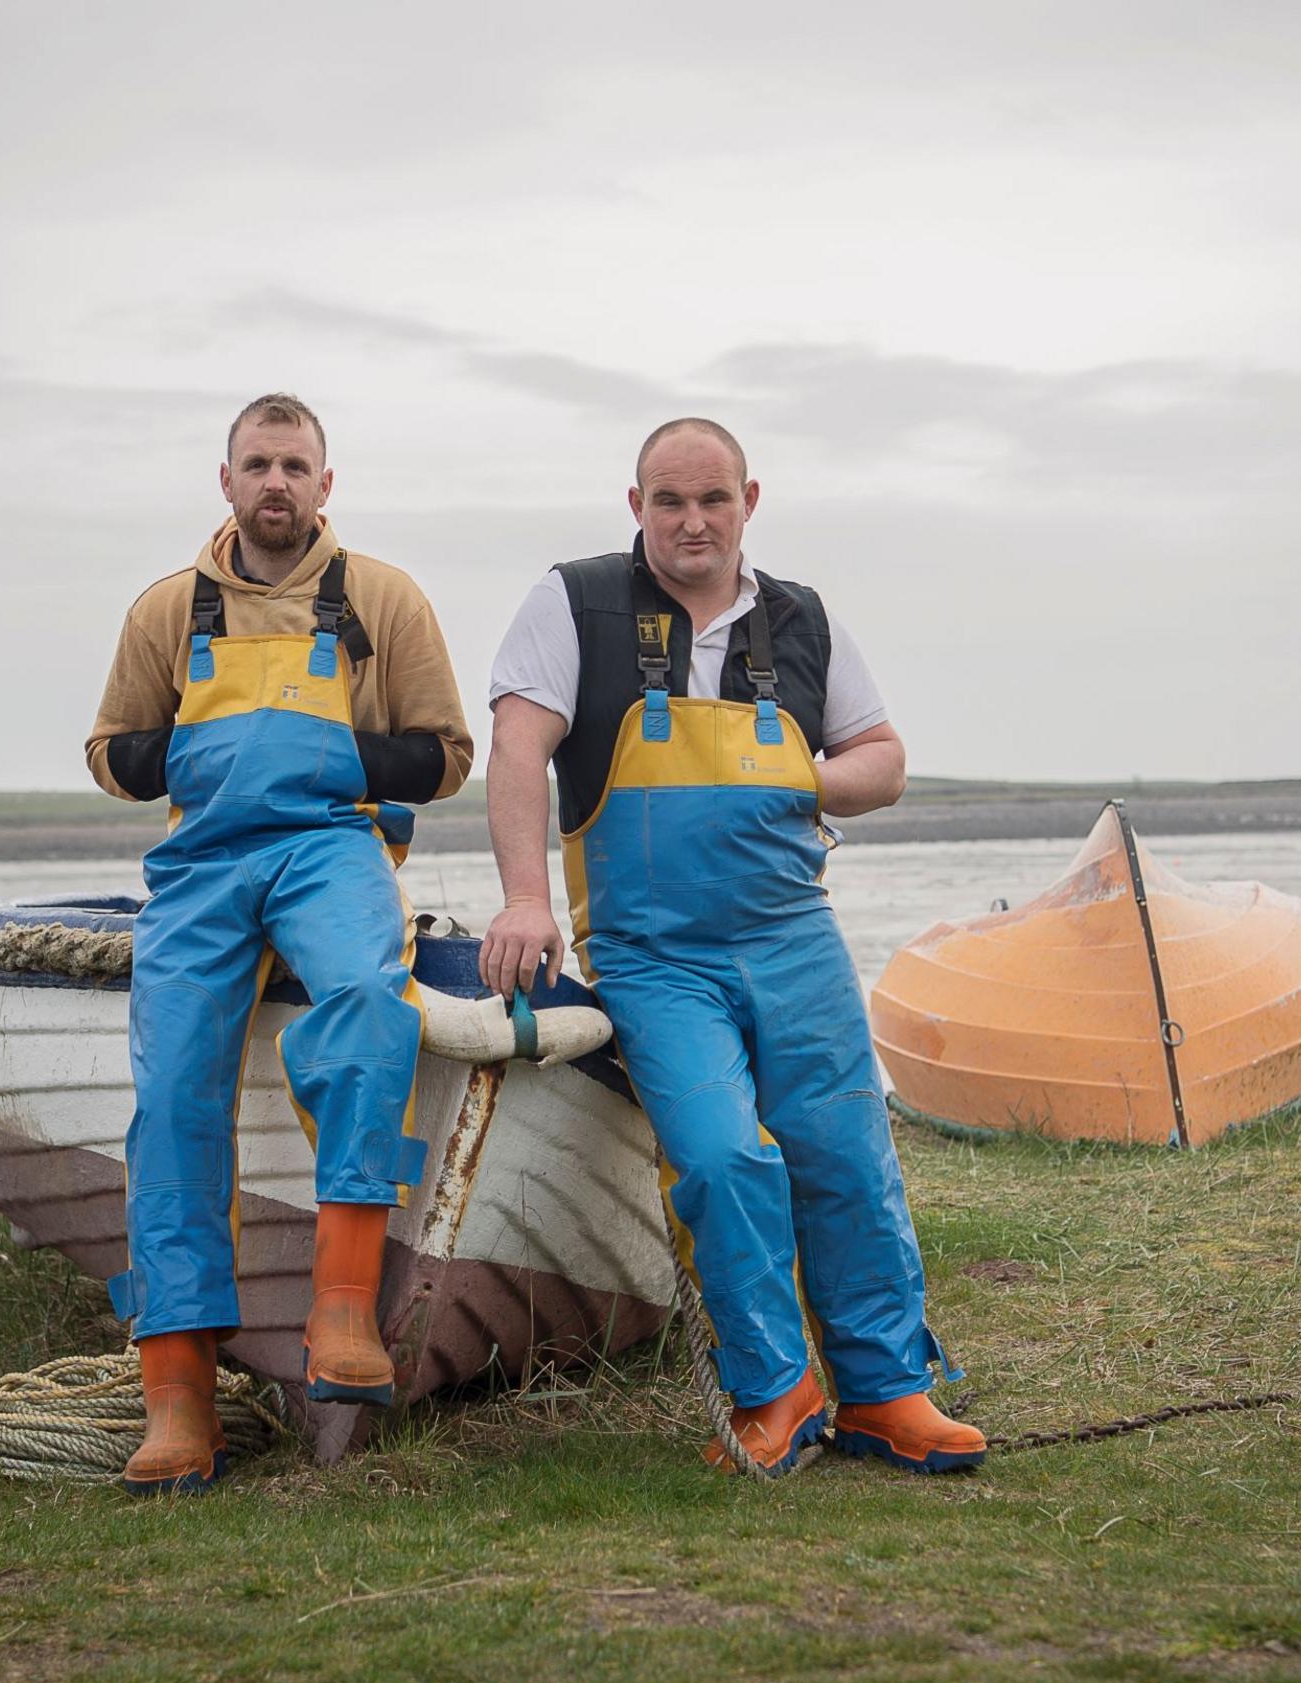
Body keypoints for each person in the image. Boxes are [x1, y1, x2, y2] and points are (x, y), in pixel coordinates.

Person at [479, 418, 985, 1476]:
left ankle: (887, 1391)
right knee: (718, 1155)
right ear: (635, 508)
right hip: (653, 953)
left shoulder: (802, 619)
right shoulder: (572, 602)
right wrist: (525, 898)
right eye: (669, 501)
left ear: (749, 500)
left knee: (847, 1156)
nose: (692, 521)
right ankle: (777, 1391)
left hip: (792, 933)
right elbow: (519, 749)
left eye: (713, 499)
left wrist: (800, 776)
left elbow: (883, 762)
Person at [86, 393, 472, 1494]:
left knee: (363, 999)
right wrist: (200, 752)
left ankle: (342, 1313)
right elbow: (111, 755)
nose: (276, 483)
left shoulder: (380, 601)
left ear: (325, 483)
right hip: (200, 866)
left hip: (331, 852)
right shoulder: (168, 608)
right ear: (226, 481)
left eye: (295, 465)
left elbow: (445, 757)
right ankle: (178, 1396)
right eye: (257, 464)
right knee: (170, 1097)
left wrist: (339, 763)